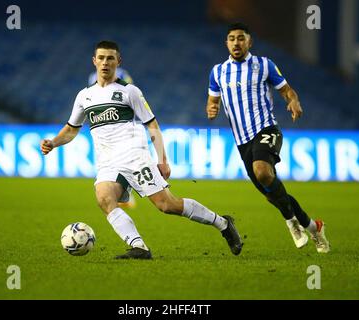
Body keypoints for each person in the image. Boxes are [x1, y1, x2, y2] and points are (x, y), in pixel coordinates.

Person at [41, 40, 243, 259]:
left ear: (118, 61)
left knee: (167, 205)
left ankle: (222, 223)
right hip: (107, 162)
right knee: (104, 198)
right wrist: (53, 142)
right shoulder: (84, 96)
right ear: (94, 61)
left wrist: (162, 159)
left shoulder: (130, 92)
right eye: (101, 58)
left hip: (135, 157)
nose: (105, 63)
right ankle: (139, 247)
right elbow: (71, 129)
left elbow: (152, 125)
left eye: (110, 58)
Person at [205, 22, 330, 253]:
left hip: (267, 129)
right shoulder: (218, 72)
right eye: (232, 38)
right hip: (242, 142)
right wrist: (212, 109)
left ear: (249, 41)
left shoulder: (264, 65)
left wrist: (293, 101)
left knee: (263, 172)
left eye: (241, 38)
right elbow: (212, 101)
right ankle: (314, 227)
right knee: (272, 194)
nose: (236, 43)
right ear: (226, 43)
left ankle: (290, 221)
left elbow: (286, 90)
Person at [89, 66, 136, 209]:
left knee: (123, 160)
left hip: (121, 127)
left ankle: (125, 191)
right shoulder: (94, 77)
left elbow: (130, 95)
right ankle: (116, 192)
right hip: (104, 127)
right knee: (108, 162)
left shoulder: (121, 74)